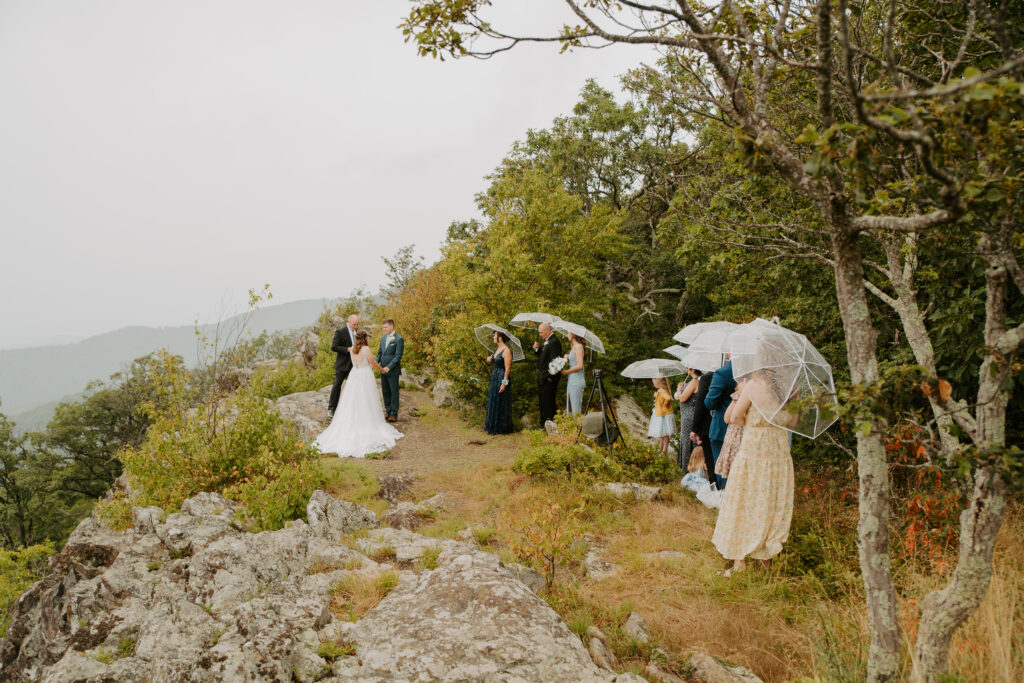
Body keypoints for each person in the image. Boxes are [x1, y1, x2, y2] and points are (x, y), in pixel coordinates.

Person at [711, 372, 795, 577]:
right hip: (778, 456)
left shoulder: (754, 385)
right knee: (769, 504)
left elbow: (733, 418)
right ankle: (765, 560)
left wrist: (749, 410)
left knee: (744, 501)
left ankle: (740, 561)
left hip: (754, 453)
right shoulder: (791, 388)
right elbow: (791, 424)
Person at [314, 330, 404, 458]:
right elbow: (373, 362)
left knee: (353, 401)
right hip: (365, 376)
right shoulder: (366, 349)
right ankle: (367, 422)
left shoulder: (352, 350)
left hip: (354, 376)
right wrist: (382, 370)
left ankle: (354, 422)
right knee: (367, 400)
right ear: (365, 338)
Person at [704, 356, 736, 488]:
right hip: (745, 426)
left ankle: (723, 495)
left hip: (722, 426)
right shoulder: (752, 370)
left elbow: (710, 402)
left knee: (722, 466)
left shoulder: (722, 373)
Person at [327, 314, 359, 416]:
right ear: (349, 322)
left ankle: (351, 408)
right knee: (337, 385)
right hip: (342, 364)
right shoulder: (340, 332)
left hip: (354, 365)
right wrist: (347, 349)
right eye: (354, 324)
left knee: (353, 387)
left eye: (357, 324)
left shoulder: (357, 332)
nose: (356, 326)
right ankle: (331, 408)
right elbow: (334, 347)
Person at [532, 322, 563, 424]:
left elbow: (557, 361)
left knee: (549, 403)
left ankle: (551, 425)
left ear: (547, 330)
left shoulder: (554, 342)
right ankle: (543, 424)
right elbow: (544, 359)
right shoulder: (547, 341)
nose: (540, 335)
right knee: (543, 402)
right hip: (542, 377)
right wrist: (538, 350)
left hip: (548, 378)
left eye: (541, 332)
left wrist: (550, 377)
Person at [484, 331, 514, 435]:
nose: (493, 337)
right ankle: (493, 426)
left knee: (501, 401)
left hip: (502, 377)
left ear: (500, 337)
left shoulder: (507, 351)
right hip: (494, 377)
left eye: (495, 335)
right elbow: (495, 362)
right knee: (494, 399)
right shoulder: (497, 349)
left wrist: (504, 383)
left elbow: (508, 369)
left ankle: (501, 428)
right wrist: (490, 360)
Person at [376, 318, 404, 423]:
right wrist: (375, 363)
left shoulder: (398, 339)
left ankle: (394, 414)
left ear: (391, 326)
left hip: (392, 370)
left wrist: (389, 367)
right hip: (382, 370)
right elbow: (380, 354)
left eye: (385, 327)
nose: (384, 329)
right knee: (385, 391)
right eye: (383, 327)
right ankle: (388, 411)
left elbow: (398, 356)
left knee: (394, 392)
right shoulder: (383, 339)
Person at [690, 369, 716, 480]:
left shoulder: (706, 378)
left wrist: (694, 428)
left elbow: (701, 404)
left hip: (707, 424)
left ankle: (714, 485)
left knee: (710, 457)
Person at [674, 368, 702, 470]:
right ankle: (689, 466)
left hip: (689, 415)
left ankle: (687, 467)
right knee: (687, 439)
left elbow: (682, 398)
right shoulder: (694, 381)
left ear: (692, 369)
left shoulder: (695, 382)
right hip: (687, 415)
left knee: (688, 440)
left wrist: (678, 391)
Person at [647, 377, 675, 454]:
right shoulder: (661, 391)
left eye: (654, 384)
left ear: (659, 384)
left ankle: (664, 450)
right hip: (661, 414)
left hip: (664, 415)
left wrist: (665, 405)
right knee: (662, 433)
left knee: (665, 434)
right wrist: (657, 396)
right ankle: (660, 449)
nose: (654, 385)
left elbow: (668, 398)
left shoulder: (662, 391)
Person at [561, 332, 586, 415]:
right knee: (570, 407)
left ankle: (578, 426)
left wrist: (567, 371)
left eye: (568, 333)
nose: (567, 335)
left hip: (577, 380)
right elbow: (574, 361)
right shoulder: (573, 347)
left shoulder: (579, 347)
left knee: (575, 408)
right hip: (571, 380)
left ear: (573, 335)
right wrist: (566, 357)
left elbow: (579, 366)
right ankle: (571, 426)